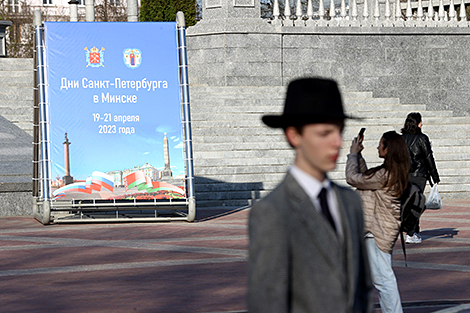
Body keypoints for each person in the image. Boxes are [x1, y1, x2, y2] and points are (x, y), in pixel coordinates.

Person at [248, 78, 373, 313]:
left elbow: (363, 287)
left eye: (339, 130)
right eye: (325, 133)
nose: (338, 142)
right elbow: (267, 302)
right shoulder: (272, 212)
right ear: (294, 136)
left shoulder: (350, 201)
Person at [346, 131, 410, 313]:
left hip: (378, 231)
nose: (377, 147)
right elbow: (365, 177)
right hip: (378, 229)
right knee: (382, 278)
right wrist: (358, 155)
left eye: (381, 144)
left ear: (389, 149)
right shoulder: (389, 172)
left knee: (383, 279)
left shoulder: (385, 175)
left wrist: (352, 153)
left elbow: (353, 178)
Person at [401, 112, 440, 244]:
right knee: (416, 205)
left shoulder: (401, 138)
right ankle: (411, 233)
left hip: (405, 175)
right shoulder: (422, 138)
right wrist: (435, 176)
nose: (421, 124)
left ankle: (414, 232)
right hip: (419, 176)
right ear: (416, 124)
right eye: (420, 122)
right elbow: (429, 157)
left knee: (412, 203)